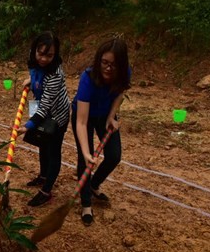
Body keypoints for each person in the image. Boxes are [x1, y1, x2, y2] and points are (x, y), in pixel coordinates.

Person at [71, 38, 131, 226]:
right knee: (85, 160)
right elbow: (81, 122)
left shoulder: (124, 74)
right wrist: (87, 152)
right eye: (104, 63)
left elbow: (120, 93)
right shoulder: (88, 78)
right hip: (84, 117)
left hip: (105, 115)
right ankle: (86, 204)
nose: (108, 68)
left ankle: (93, 184)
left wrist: (112, 117)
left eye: (113, 65)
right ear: (99, 61)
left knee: (114, 156)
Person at [17, 32, 70, 207]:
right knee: (42, 144)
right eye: (40, 53)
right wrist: (31, 80)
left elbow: (46, 105)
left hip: (56, 115)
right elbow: (36, 76)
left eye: (49, 55)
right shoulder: (33, 61)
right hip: (39, 107)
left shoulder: (55, 74)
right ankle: (43, 175)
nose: (44, 59)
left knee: (53, 150)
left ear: (55, 55)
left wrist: (28, 126)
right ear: (34, 50)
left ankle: (46, 191)